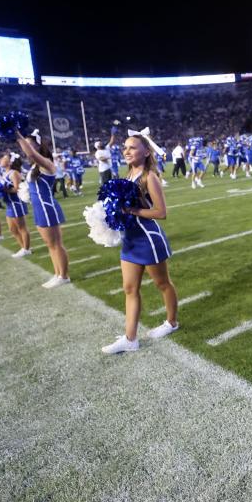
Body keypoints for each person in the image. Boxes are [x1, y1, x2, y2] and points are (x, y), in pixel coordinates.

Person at [102, 132, 180, 354]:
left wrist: (132, 210)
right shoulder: (127, 175)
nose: (127, 151)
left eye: (133, 148)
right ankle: (130, 339)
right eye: (125, 148)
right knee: (129, 288)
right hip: (130, 240)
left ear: (146, 152)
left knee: (162, 284)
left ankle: (172, 323)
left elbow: (161, 212)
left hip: (148, 239)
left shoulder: (149, 177)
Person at [16, 129, 71, 288]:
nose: (27, 148)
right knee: (50, 245)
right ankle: (57, 273)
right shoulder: (34, 166)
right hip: (39, 209)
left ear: (39, 147)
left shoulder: (47, 163)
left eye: (31, 145)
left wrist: (18, 136)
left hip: (47, 208)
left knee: (56, 244)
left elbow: (32, 154)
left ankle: (64, 276)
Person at [0, 152, 32, 257]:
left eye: (3, 158)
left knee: (21, 227)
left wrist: (4, 190)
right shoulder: (5, 173)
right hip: (10, 204)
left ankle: (26, 249)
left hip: (16, 203)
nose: (1, 159)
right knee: (12, 229)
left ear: (9, 162)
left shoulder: (14, 173)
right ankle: (23, 247)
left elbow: (17, 188)